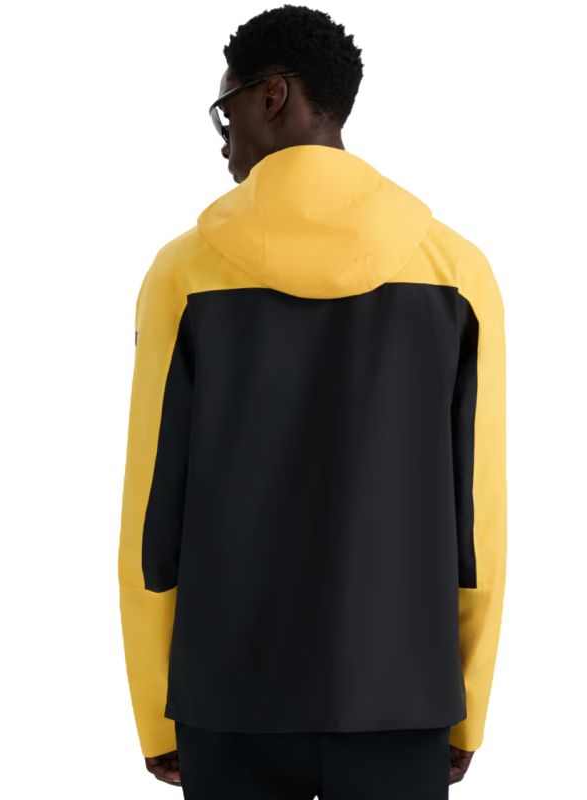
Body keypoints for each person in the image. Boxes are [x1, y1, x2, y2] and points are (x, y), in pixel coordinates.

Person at [117, 5, 507, 798]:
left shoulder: (183, 275)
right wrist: (465, 703)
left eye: (225, 111)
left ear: (273, 95)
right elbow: (478, 521)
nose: (223, 140)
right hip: (403, 699)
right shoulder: (458, 273)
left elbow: (153, 516)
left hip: (227, 700)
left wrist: (157, 711)